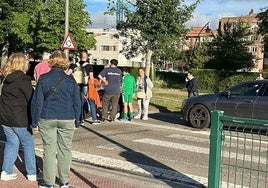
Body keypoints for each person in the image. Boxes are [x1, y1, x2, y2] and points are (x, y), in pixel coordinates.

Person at [31, 50, 81, 188]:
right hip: (67, 117)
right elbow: (77, 101)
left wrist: (34, 121)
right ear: (65, 62)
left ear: (50, 61)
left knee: (49, 150)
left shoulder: (43, 78)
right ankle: (64, 181)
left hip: (47, 117)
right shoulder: (70, 80)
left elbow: (37, 102)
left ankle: (49, 182)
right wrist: (78, 119)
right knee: (65, 150)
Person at [0, 53, 37, 181]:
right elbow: (31, 99)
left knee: (12, 143)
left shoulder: (6, 79)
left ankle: (6, 171)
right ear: (22, 63)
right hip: (20, 118)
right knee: (28, 143)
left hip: (5, 117)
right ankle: (32, 173)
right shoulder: (24, 79)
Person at [68, 51, 94, 126]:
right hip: (84, 86)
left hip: (75, 85)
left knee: (76, 101)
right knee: (82, 102)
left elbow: (68, 73)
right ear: (86, 57)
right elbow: (91, 78)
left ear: (80, 57)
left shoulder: (74, 65)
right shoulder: (89, 66)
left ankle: (77, 118)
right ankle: (81, 118)